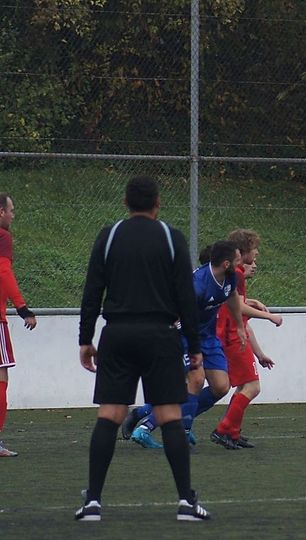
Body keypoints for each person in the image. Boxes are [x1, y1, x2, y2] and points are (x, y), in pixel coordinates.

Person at [76, 175, 210, 521]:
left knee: (109, 414)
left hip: (117, 335)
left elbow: (93, 290)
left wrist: (85, 339)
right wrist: (194, 347)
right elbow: (185, 296)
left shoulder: (109, 236)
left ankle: (92, 501)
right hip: (160, 335)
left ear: (125, 202)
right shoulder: (170, 237)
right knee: (169, 416)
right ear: (157, 203)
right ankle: (185, 502)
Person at [127, 240, 252, 449]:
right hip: (184, 335)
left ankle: (145, 416)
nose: (243, 262)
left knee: (221, 386)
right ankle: (178, 432)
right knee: (196, 378)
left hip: (208, 337)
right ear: (226, 264)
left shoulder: (231, 277)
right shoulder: (197, 286)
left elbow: (231, 297)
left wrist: (240, 326)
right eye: (239, 259)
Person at [211, 229, 282, 449]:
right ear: (243, 252)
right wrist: (269, 316)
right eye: (254, 249)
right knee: (252, 387)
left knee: (244, 386)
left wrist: (252, 301)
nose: (257, 253)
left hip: (230, 335)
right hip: (233, 336)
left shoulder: (235, 273)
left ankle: (232, 432)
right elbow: (237, 307)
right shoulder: (238, 274)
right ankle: (223, 429)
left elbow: (236, 303)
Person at [0, 193, 37, 458]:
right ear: (1, 212)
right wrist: (22, 308)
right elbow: (4, 272)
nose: (13, 215)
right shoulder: (3, 237)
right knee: (1, 377)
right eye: (11, 210)